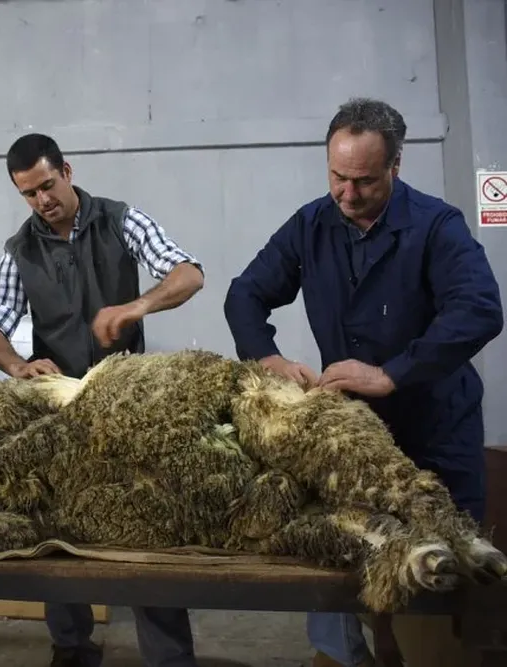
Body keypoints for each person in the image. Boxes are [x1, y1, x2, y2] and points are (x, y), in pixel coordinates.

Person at [223, 97, 504, 667]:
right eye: (337, 177)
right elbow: (244, 294)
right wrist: (268, 358)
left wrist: (392, 373)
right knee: (349, 548)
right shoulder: (310, 224)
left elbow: (479, 309)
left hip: (434, 428)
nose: (347, 195)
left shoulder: (436, 226)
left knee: (437, 572)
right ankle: (349, 655)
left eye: (365, 182)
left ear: (396, 166)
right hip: (354, 434)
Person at [0, 133, 206, 667]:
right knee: (56, 528)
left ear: (67, 171)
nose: (42, 200)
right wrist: (17, 366)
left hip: (125, 401)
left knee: (145, 527)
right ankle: (73, 648)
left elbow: (189, 273)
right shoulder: (20, 249)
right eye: (29, 193)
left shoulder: (120, 220)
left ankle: (169, 658)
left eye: (47, 185)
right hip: (60, 405)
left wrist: (136, 306)